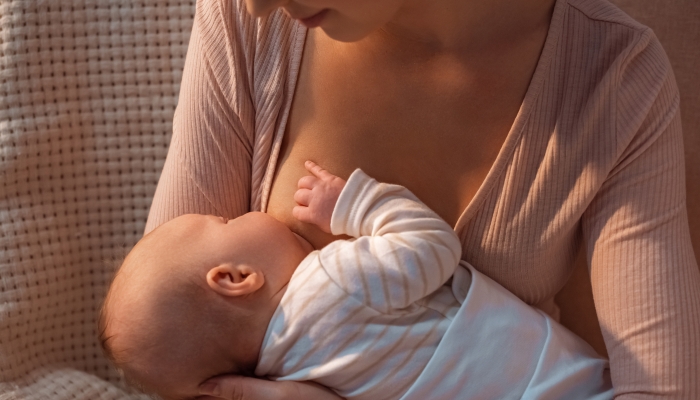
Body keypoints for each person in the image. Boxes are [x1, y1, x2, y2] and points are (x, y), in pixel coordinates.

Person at [144, 0, 700, 398]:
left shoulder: (615, 74)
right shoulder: (241, 21)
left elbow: (660, 388)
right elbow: (163, 344)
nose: (258, 5)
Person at [101, 162, 611, 400]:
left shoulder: (292, 378)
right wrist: (353, 206)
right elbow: (433, 247)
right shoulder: (330, 283)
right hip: (560, 385)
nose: (244, 213)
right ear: (236, 278)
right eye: (226, 223)